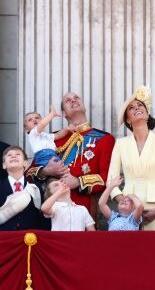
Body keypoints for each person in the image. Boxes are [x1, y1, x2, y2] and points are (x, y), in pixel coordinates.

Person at [25, 92, 115, 220]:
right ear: (63, 113)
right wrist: (45, 171)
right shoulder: (51, 139)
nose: (73, 100)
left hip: (83, 208)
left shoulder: (105, 139)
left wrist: (79, 182)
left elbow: (108, 177)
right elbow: (28, 174)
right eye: (68, 101)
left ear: (84, 107)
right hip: (50, 210)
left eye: (76, 98)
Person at [107, 86, 155, 230]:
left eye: (140, 105)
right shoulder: (121, 144)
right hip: (128, 209)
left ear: (147, 113)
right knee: (130, 250)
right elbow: (111, 180)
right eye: (131, 108)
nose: (137, 108)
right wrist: (124, 203)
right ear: (128, 119)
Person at [0, 146, 49, 231]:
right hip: (4, 240)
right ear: (4, 165)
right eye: (9, 155)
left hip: (31, 239)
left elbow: (42, 216)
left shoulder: (36, 188)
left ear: (25, 163)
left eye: (18, 154)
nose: (13, 156)